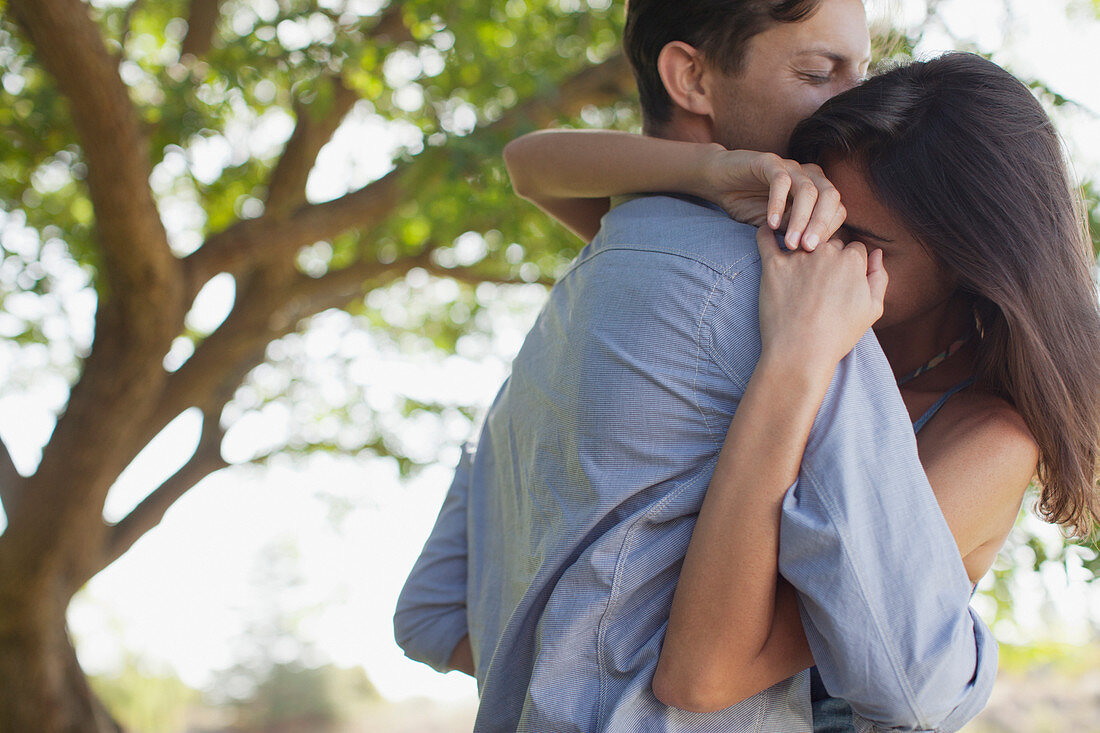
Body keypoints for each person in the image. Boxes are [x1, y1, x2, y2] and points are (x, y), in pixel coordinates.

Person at [393, 3, 1039, 730]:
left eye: (858, 240)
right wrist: (713, 171)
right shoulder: (769, 297)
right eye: (819, 71)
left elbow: (709, 672)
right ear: (690, 77)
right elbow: (532, 164)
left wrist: (795, 361)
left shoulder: (971, 426)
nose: (820, 251)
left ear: (967, 254)